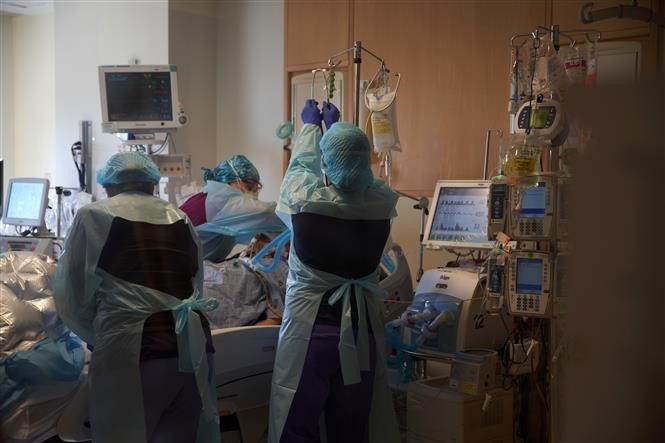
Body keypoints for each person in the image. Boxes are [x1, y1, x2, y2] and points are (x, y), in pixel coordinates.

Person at [53, 152, 220, 443]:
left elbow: (72, 295)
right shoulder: (180, 218)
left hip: (135, 354)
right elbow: (196, 287)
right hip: (191, 350)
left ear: (108, 186)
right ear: (152, 184)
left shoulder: (93, 215)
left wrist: (98, 335)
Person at [268, 100, 401, 443]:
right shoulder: (381, 204)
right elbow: (353, 181)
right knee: (352, 429)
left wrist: (311, 130)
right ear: (366, 161)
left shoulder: (308, 203)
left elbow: (299, 170)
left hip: (310, 338)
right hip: (361, 336)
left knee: (297, 426)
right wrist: (335, 133)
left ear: (326, 162)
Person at [180, 154, 285, 262]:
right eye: (249, 187)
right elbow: (266, 212)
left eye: (256, 189)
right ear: (230, 181)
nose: (254, 194)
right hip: (184, 268)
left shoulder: (205, 197)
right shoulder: (219, 200)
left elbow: (244, 231)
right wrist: (293, 212)